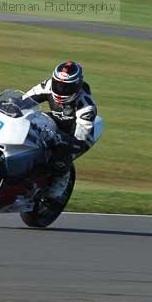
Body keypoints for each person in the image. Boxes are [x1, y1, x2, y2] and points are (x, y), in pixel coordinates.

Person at [23, 60, 98, 200]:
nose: (61, 90)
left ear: (77, 86)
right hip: (56, 122)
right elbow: (24, 100)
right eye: (58, 84)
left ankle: (61, 181)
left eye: (67, 87)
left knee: (60, 158)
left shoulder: (86, 107)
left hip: (76, 134)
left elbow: (79, 141)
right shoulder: (48, 85)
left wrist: (60, 140)